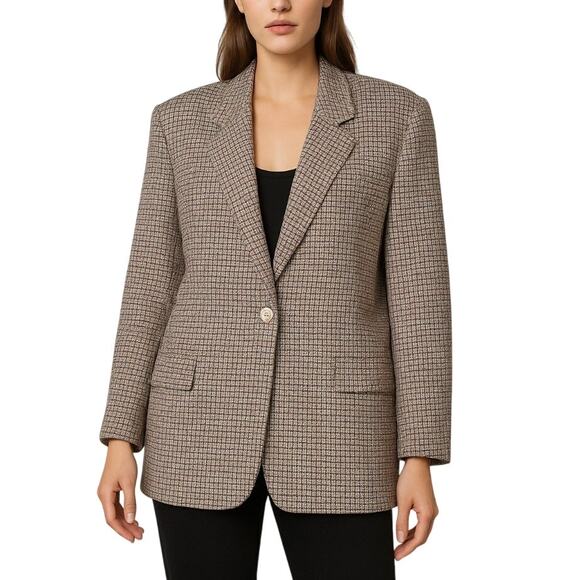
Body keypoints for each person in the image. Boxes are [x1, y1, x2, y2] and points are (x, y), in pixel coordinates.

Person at [97, 1, 452, 578]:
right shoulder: (180, 122)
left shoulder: (396, 117)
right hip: (196, 427)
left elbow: (420, 298)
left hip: (341, 432)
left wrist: (419, 453)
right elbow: (150, 283)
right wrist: (121, 436)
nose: (279, 3)